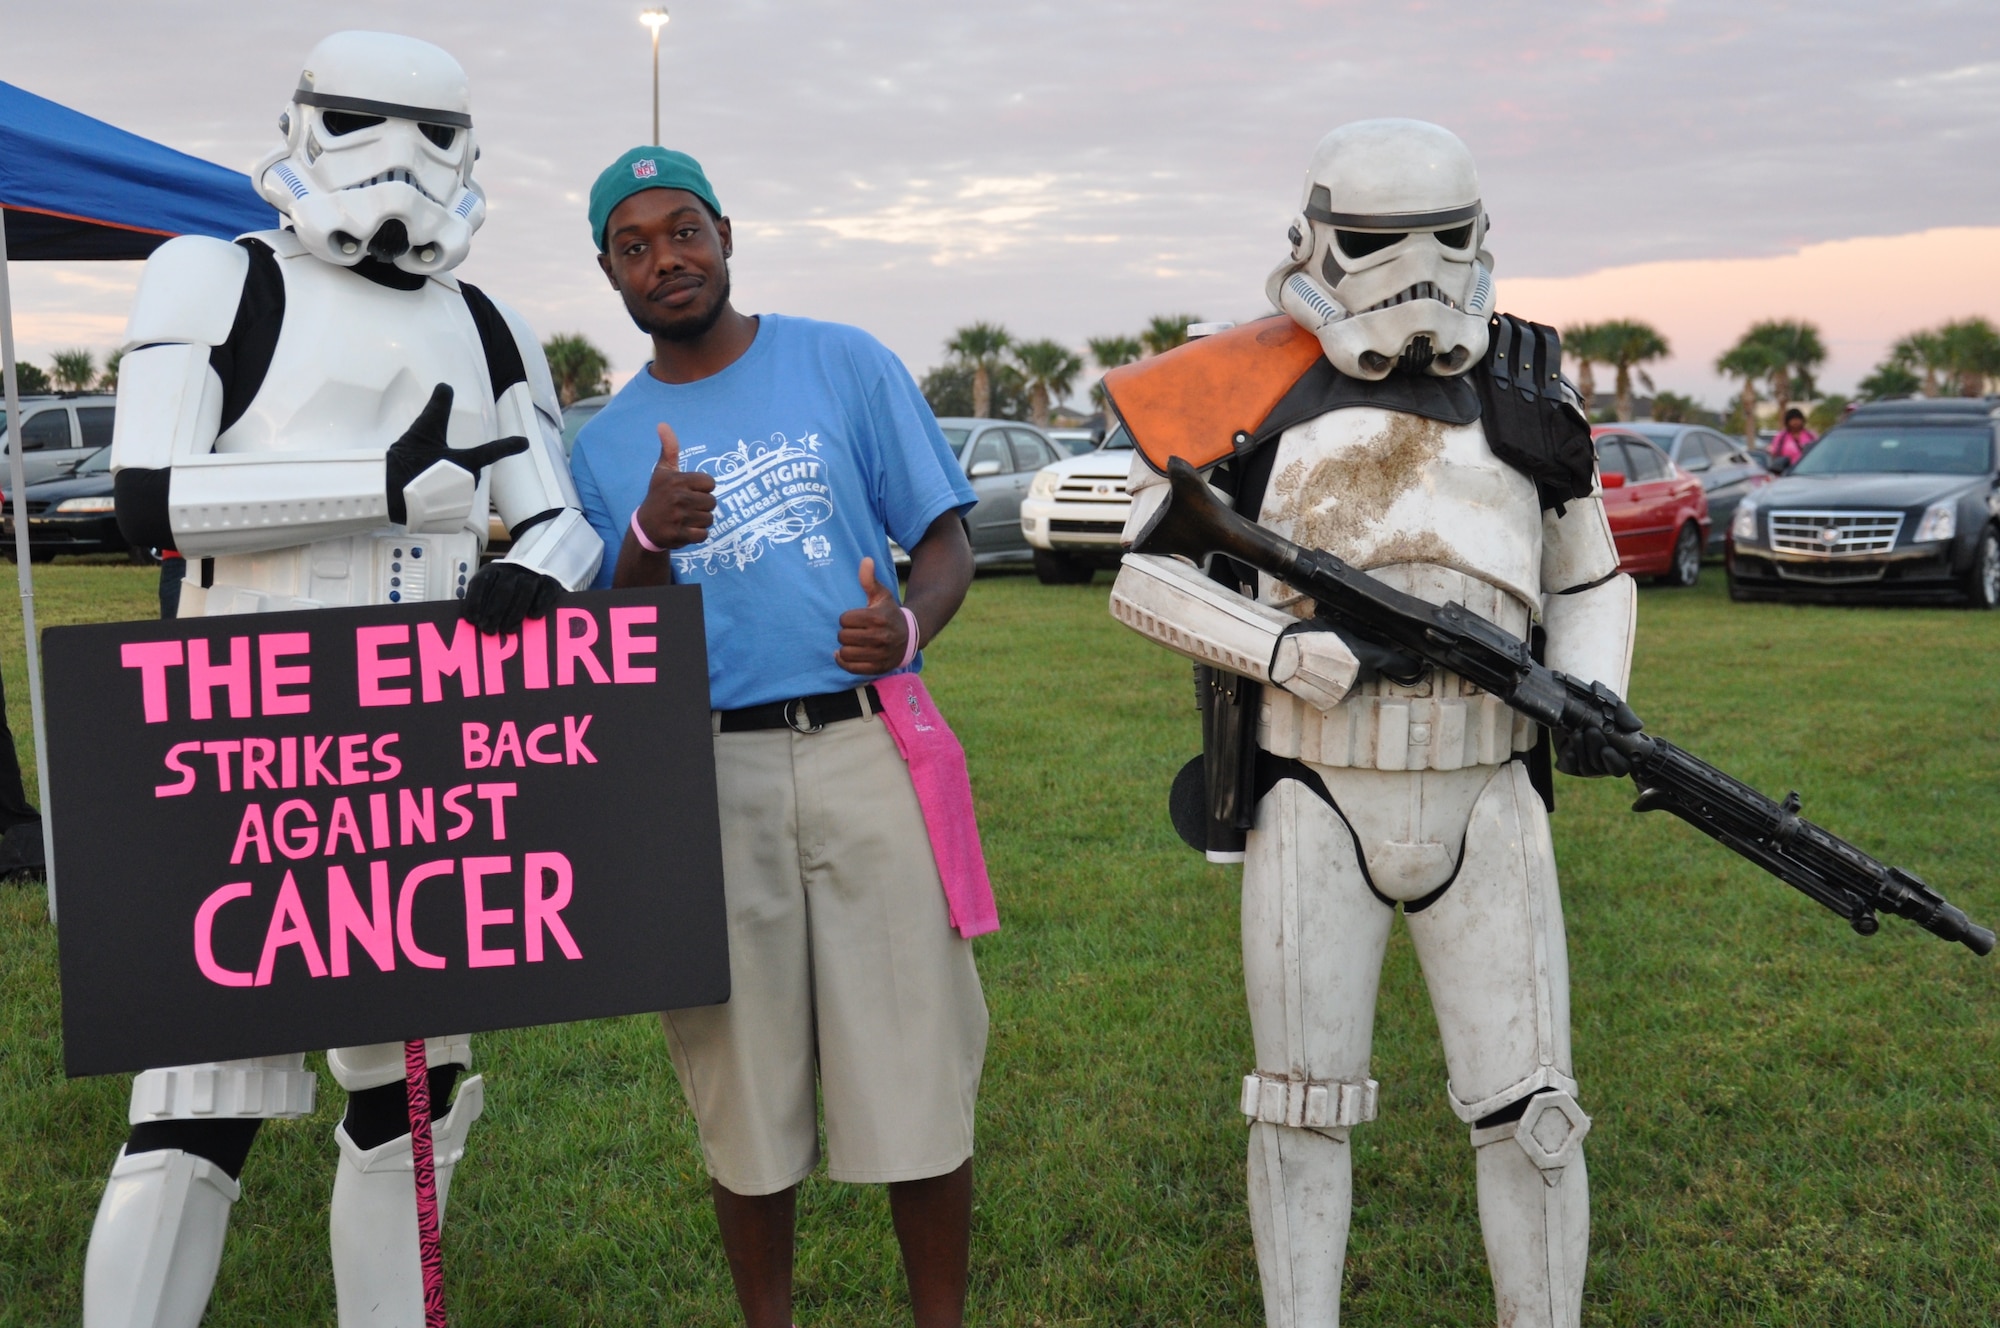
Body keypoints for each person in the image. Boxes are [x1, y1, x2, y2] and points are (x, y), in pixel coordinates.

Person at [93, 32, 602, 1327]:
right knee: (193, 1107)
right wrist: (373, 486)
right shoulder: (214, 281)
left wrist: (540, 569)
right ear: (308, 123)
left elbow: (558, 513)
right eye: (371, 123)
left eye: (435, 134)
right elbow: (148, 496)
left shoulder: (488, 323)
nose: (406, 162)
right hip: (242, 726)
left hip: (421, 747)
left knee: (420, 1093)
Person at [1104, 119, 1636, 1327]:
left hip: (1486, 782)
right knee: (1298, 1105)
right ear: (1314, 238)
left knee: (1535, 1114)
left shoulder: (1526, 385)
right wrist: (1285, 648)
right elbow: (1145, 574)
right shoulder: (1239, 382)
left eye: (1441, 240)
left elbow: (1588, 576)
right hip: (1313, 783)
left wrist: (1595, 687)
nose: (1413, 273)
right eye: (1377, 242)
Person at [568, 148, 987, 1328]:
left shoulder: (841, 359)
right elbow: (614, 645)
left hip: (865, 748)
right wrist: (646, 539)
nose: (666, 258)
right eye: (634, 245)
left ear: (727, 232)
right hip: (705, 768)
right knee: (743, 1096)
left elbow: (947, 543)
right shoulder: (603, 445)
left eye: (683, 229)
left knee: (915, 1074)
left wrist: (903, 624)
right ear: (606, 271)